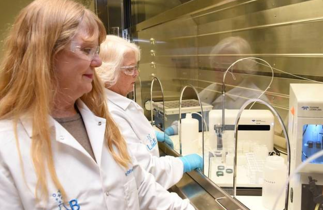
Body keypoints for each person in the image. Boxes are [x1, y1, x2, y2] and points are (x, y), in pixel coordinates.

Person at [0, 0, 194, 209]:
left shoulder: (101, 123)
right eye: (86, 49)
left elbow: (143, 189)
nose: (98, 62)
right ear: (44, 55)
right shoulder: (8, 149)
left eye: (96, 51)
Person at [95, 35, 203, 190]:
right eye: (130, 69)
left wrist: (151, 135)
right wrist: (183, 163)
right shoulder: (111, 113)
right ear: (108, 71)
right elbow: (146, 171)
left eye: (135, 67)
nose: (136, 74)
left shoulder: (119, 102)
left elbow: (132, 138)